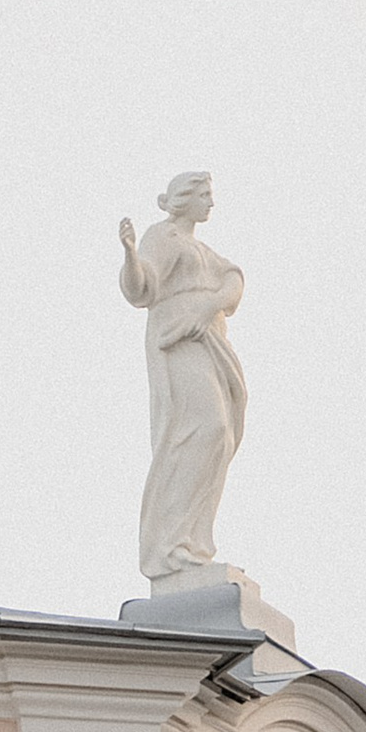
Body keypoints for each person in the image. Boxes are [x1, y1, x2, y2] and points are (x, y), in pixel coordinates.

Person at [116, 174, 247, 588]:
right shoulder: (164, 237)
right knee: (200, 430)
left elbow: (234, 281)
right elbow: (143, 290)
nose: (211, 203)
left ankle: (193, 543)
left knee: (222, 436)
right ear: (184, 200)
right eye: (205, 195)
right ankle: (170, 547)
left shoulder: (203, 250)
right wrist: (131, 255)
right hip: (178, 338)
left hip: (208, 337)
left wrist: (210, 302)